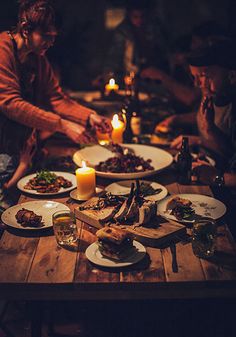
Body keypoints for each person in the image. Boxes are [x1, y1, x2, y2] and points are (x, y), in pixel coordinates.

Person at [0, 0, 111, 159]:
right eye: (46, 36)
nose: (51, 43)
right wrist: (63, 125)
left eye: (53, 37)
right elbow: (11, 104)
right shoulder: (2, 50)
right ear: (25, 29)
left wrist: (89, 116)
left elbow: (55, 98)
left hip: (21, 146)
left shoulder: (37, 58)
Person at [102, 0, 168, 83]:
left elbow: (164, 51)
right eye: (135, 16)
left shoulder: (155, 29)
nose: (139, 20)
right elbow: (114, 56)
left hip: (155, 77)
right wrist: (107, 75)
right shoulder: (123, 32)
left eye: (143, 16)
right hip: (132, 77)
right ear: (129, 15)